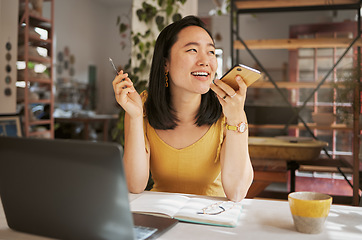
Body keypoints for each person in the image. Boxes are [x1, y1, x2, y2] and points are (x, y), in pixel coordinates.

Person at [112, 15, 253, 202]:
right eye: (193, 50)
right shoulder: (141, 105)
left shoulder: (228, 110)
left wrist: (237, 120)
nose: (205, 61)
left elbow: (236, 193)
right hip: (161, 215)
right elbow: (134, 185)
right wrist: (136, 117)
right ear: (165, 64)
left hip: (211, 219)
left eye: (211, 52)